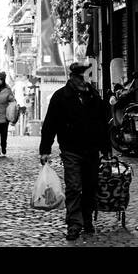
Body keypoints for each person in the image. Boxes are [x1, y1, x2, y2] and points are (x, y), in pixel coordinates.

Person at [39, 61, 110, 241]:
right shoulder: (61, 97)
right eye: (79, 78)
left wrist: (106, 148)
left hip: (92, 149)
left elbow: (102, 124)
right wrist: (45, 149)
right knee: (73, 186)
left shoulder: (93, 96)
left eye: (84, 78)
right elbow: (50, 124)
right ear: (71, 77)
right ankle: (74, 224)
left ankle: (86, 219)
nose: (82, 81)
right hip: (71, 149)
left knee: (90, 186)